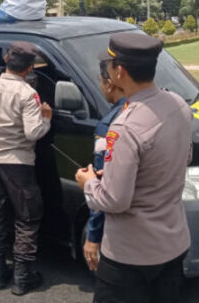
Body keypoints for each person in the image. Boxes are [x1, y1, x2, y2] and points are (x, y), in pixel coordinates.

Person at [75, 32, 192, 303]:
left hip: (131, 257)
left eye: (108, 66)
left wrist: (89, 183)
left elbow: (115, 200)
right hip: (173, 244)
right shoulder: (176, 103)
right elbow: (180, 159)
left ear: (119, 72)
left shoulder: (125, 126)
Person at [0, 42, 52, 295]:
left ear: (7, 58)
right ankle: (22, 276)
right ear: (30, 67)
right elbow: (33, 133)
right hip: (19, 163)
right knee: (27, 217)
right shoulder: (28, 94)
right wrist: (46, 118)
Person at [83, 60, 126, 272]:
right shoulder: (154, 108)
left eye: (100, 82)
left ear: (110, 83)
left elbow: (103, 187)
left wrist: (92, 236)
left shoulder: (108, 126)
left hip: (121, 234)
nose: (101, 87)